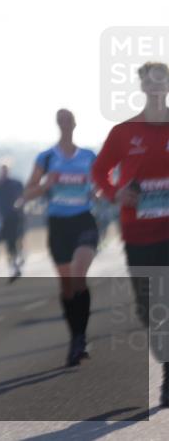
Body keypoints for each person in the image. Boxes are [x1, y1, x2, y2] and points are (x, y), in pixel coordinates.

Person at [92, 61, 169, 408]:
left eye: (160, 82)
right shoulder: (123, 132)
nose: (155, 88)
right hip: (138, 231)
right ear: (142, 87)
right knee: (148, 307)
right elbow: (99, 172)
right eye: (149, 83)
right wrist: (115, 194)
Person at [22, 109, 98, 367]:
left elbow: (102, 184)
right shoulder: (46, 157)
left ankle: (81, 338)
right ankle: (75, 337)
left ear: (75, 124)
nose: (66, 125)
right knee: (67, 286)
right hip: (58, 225)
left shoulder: (88, 156)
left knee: (79, 274)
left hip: (83, 220)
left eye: (69, 121)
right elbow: (28, 192)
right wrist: (46, 185)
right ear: (57, 125)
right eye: (61, 121)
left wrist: (97, 192)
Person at [0, 161, 25, 283]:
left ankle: (15, 263)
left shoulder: (16, 183)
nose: (3, 173)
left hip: (14, 217)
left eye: (5, 170)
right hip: (1, 218)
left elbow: (23, 196)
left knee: (13, 242)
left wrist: (20, 204)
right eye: (1, 170)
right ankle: (12, 264)